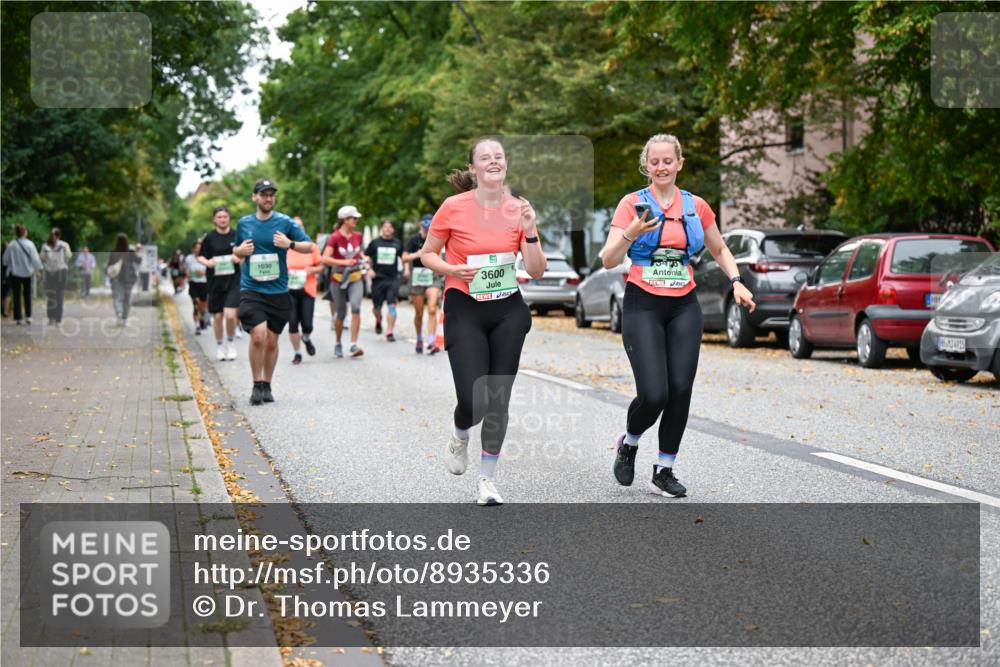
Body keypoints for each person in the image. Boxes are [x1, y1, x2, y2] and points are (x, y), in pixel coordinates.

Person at [600, 133, 756, 498]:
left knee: (681, 389)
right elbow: (608, 259)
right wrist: (631, 232)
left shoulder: (696, 206)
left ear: (679, 163)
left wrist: (737, 282)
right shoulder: (631, 204)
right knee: (654, 394)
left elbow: (720, 248)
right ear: (646, 165)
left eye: (667, 161)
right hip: (643, 304)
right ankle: (630, 442)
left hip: (683, 305)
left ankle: (664, 469)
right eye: (654, 162)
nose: (661, 167)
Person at [419, 138, 547, 506]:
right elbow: (427, 254)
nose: (493, 161)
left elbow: (536, 270)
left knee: (498, 398)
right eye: (485, 157)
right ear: (473, 169)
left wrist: (531, 230)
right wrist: (451, 269)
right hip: (465, 306)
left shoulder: (519, 208)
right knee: (472, 400)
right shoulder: (453, 207)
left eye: (499, 156)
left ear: (506, 165)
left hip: (507, 309)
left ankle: (487, 480)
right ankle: (460, 433)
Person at [233, 179, 312, 405]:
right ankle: (256, 384)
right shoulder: (244, 223)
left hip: (277, 290)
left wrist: (290, 244)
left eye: (271, 195)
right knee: (258, 335)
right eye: (263, 194)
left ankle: (267, 384)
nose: (268, 198)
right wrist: (240, 250)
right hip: (252, 288)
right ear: (254, 197)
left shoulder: (285, 222)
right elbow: (236, 251)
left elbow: (309, 246)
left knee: (272, 342)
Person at [321, 205, 367, 358]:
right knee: (341, 313)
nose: (356, 220)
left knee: (356, 307)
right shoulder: (334, 237)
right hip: (338, 279)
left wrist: (365, 258)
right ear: (345, 220)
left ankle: (353, 345)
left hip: (355, 277)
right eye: (354, 218)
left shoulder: (358, 235)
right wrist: (343, 262)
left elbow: (358, 252)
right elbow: (325, 258)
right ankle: (338, 342)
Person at [198, 206, 242, 361]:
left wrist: (239, 258)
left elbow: (245, 254)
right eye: (219, 217)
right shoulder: (209, 237)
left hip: (233, 281)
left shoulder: (237, 235)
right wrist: (208, 263)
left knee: (230, 316)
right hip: (215, 283)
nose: (222, 219)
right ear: (214, 220)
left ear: (229, 218)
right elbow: (200, 256)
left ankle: (230, 343)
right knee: (217, 317)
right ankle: (219, 346)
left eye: (225, 216)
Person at [403, 214, 445, 354]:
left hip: (432, 276)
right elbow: (404, 258)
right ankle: (420, 337)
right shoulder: (414, 240)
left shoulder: (437, 238)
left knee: (432, 308)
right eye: (426, 224)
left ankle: (431, 341)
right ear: (421, 224)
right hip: (417, 277)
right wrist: (418, 254)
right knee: (419, 313)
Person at [286, 216, 322, 364]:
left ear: (303, 228)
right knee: (293, 323)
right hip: (289, 290)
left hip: (308, 289)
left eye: (300, 226)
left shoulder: (311, 246)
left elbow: (321, 266)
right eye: (295, 226)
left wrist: (312, 270)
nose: (298, 228)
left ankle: (306, 337)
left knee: (307, 325)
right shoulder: (285, 247)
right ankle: (297, 353)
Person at [365, 219, 405, 342]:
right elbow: (366, 257)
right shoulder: (375, 243)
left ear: (392, 230)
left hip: (393, 278)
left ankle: (389, 331)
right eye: (385, 226)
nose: (387, 229)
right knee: (376, 307)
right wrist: (368, 269)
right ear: (382, 229)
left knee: (392, 305)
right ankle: (378, 320)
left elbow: (404, 257)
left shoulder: (397, 243)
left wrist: (406, 269)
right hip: (378, 279)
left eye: (390, 227)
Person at [2, 224, 43, 324]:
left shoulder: (12, 245)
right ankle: (28, 316)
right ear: (25, 233)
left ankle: (18, 318)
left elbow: (5, 260)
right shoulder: (30, 244)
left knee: (16, 295)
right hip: (28, 273)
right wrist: (39, 268)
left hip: (15, 273)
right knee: (27, 294)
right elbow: (35, 259)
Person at [107, 233, 142, 323]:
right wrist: (138, 252)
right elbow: (139, 261)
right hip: (128, 279)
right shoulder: (130, 252)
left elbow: (109, 265)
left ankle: (119, 312)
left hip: (116, 278)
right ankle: (124, 318)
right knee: (127, 299)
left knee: (117, 297)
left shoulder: (113, 252)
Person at [41, 227, 72, 325]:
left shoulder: (45, 245)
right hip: (61, 271)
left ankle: (51, 318)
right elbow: (68, 256)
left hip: (49, 272)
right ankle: (58, 319)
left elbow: (42, 257)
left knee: (51, 295)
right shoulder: (64, 245)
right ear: (59, 235)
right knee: (59, 295)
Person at [185, 240, 209, 334]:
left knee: (202, 306)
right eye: (196, 248)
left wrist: (204, 273)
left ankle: (202, 317)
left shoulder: (206, 257)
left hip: (204, 283)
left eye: (200, 248)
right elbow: (185, 269)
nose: (198, 250)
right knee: (195, 303)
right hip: (193, 283)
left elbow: (212, 269)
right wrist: (188, 274)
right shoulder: (189, 259)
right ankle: (197, 325)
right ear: (193, 249)